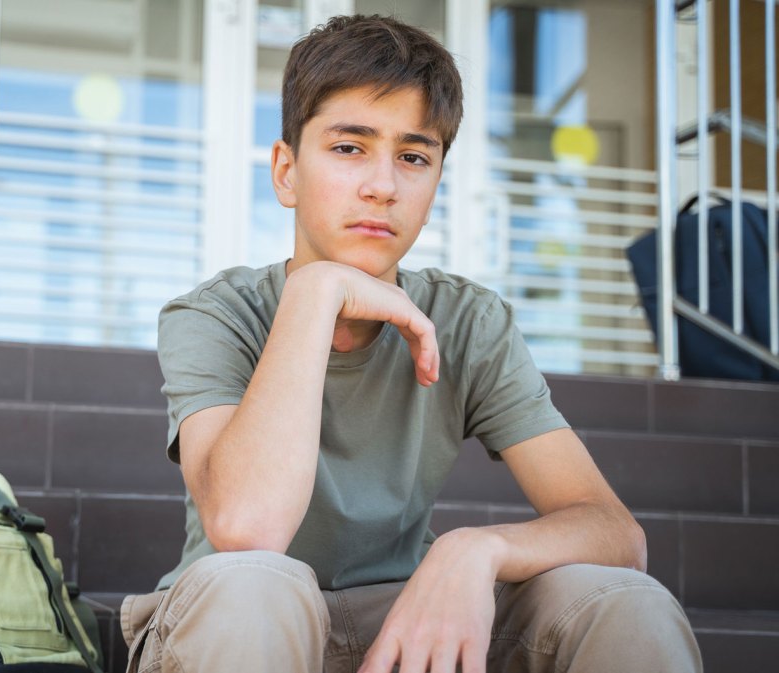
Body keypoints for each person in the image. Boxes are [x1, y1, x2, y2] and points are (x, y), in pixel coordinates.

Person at [118, 13, 702, 673]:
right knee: (256, 581)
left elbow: (614, 531)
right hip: (234, 621)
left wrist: (472, 552)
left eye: (414, 157)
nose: (382, 186)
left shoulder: (468, 320)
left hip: (405, 620)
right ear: (286, 171)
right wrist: (315, 294)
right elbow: (249, 529)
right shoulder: (215, 314)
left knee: (620, 599)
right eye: (349, 147)